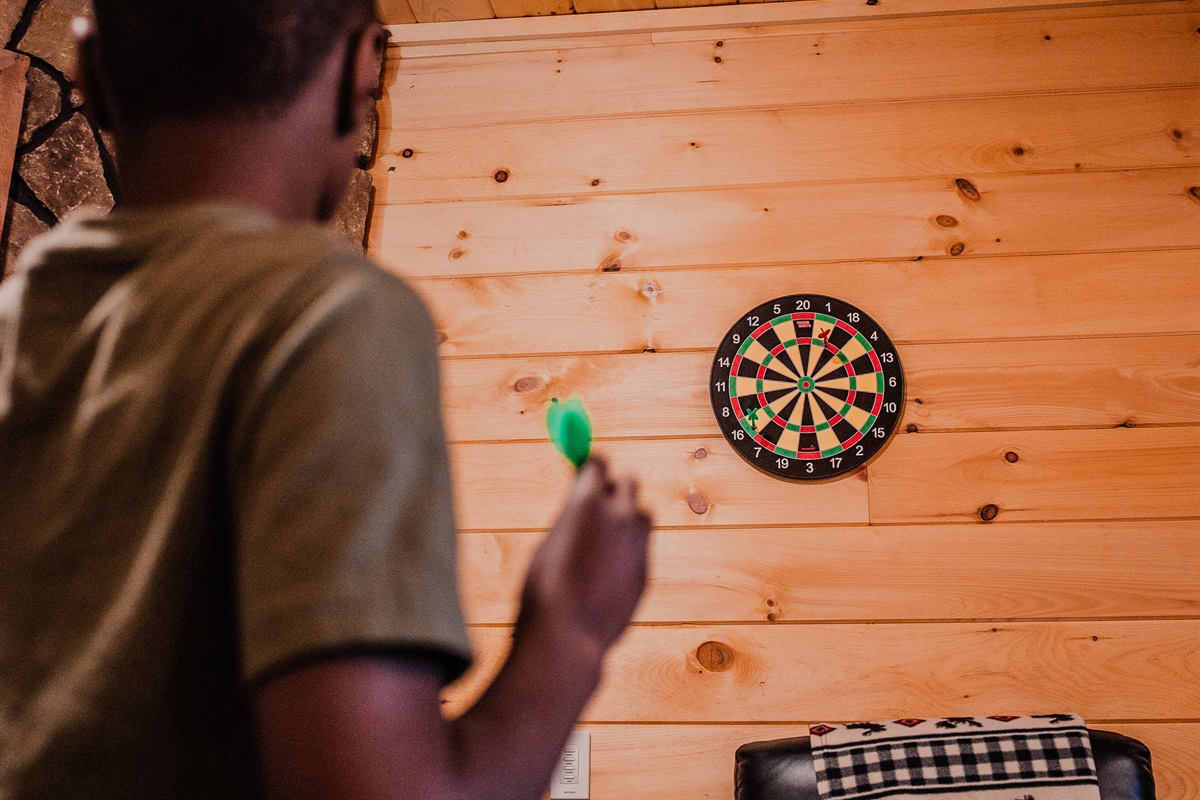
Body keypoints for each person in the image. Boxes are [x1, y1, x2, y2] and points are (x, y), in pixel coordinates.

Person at [0, 1, 652, 798]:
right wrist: (573, 630)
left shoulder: (16, 324)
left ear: (87, 74)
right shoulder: (325, 311)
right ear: (359, 72)